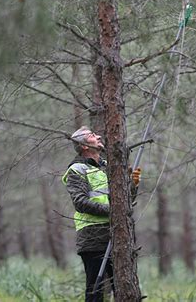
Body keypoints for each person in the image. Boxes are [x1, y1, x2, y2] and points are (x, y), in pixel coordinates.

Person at [62, 126, 141, 302]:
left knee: (124, 286)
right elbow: (80, 203)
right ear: (83, 146)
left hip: (118, 232)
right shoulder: (77, 169)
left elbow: (125, 201)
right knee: (95, 290)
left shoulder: (109, 168)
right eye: (92, 135)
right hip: (92, 236)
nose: (98, 136)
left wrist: (133, 185)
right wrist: (115, 212)